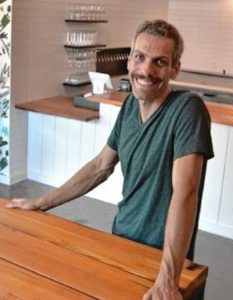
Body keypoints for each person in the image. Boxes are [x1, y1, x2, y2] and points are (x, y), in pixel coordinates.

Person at [7, 19, 213, 300]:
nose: (146, 70)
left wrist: (168, 278)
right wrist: (41, 202)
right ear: (129, 61)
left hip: (163, 257)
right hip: (121, 240)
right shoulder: (129, 106)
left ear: (175, 69)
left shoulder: (188, 109)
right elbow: (100, 167)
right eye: (140, 57)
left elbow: (186, 192)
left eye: (160, 62)